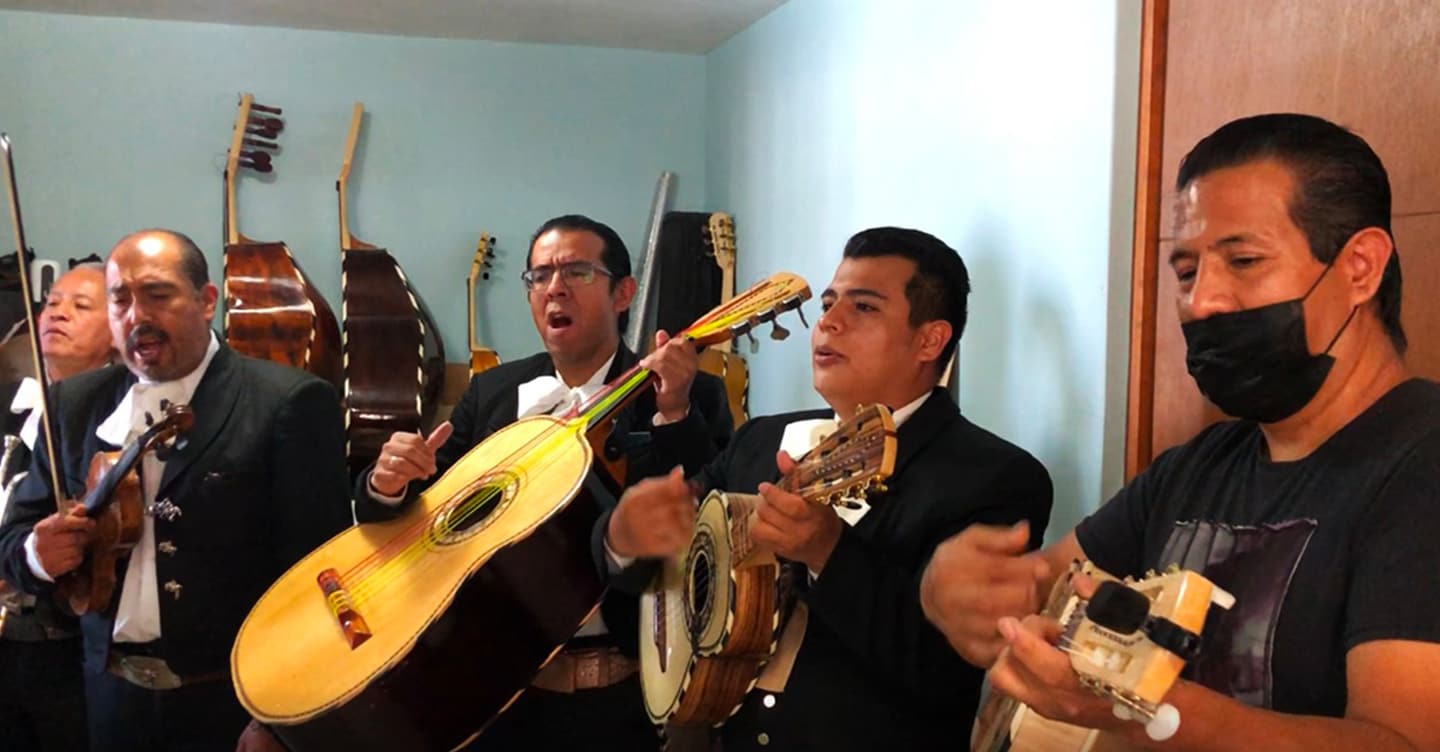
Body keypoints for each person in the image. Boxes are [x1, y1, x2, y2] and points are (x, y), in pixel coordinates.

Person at [921, 113, 1440, 751]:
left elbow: (1403, 742)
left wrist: (1146, 712)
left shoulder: (1421, 465)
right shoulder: (1196, 466)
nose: (1201, 303)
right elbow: (1042, 585)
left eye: (1243, 261)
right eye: (1187, 272)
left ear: (1360, 267)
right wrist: (951, 587)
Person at [606, 226, 1054, 750]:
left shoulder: (996, 478)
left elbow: (945, 670)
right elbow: (662, 570)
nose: (828, 323)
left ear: (930, 339)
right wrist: (623, 540)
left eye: (863, 308)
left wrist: (828, 553)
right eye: (827, 303)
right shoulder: (759, 440)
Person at [353, 214, 733, 751]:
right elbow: (414, 514)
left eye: (577, 272)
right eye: (539, 276)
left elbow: (706, 522)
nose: (554, 288)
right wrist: (388, 481)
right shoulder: (491, 393)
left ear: (622, 293)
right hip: (493, 692)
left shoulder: (687, 394)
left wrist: (673, 412)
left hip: (626, 692)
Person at [0, 229, 354, 752]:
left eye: (158, 295)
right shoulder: (73, 404)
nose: (135, 314)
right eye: (120, 298)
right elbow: (12, 541)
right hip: (108, 699)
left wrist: (280, 720)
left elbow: (318, 575)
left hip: (232, 704)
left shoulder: (289, 402)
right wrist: (35, 552)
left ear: (206, 301)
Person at [0, 262, 117, 752]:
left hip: (68, 646)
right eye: (52, 303)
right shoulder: (11, 404)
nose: (58, 314)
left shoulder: (121, 420)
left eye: (80, 306)